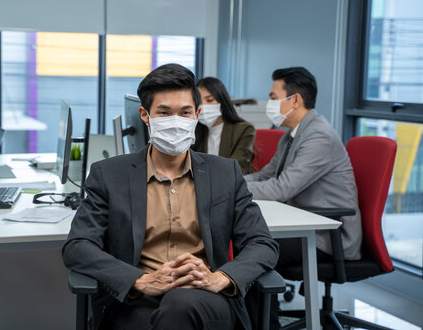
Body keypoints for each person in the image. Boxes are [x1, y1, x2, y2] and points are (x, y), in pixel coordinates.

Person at [63, 64, 278, 330]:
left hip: (206, 298)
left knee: (179, 305)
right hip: (136, 299)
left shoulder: (225, 173)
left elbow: (262, 243)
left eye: (185, 112)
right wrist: (141, 280)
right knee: (166, 316)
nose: (176, 121)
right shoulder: (109, 174)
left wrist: (220, 278)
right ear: (145, 115)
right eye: (164, 112)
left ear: (197, 114)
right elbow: (78, 246)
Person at [243, 67, 362, 327]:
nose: (270, 104)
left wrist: (232, 190)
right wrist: (231, 182)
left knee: (251, 246)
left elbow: (280, 189)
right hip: (305, 224)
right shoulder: (292, 134)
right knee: (247, 239)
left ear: (295, 100)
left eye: (274, 97)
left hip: (329, 237)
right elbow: (266, 176)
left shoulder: (318, 135)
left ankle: (265, 325)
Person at [192, 77, 255, 174]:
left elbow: (236, 170)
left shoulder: (244, 130)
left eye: (209, 100)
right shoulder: (194, 132)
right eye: (199, 103)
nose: (203, 106)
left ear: (222, 102)